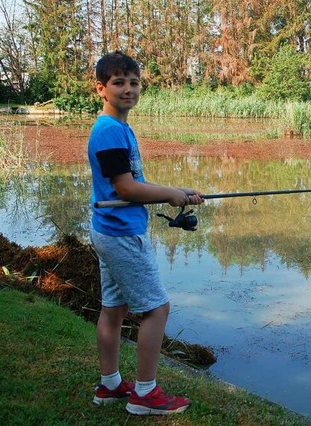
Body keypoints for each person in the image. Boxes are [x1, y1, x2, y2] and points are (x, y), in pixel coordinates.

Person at [88, 51, 204, 415]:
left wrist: (176, 191)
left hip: (109, 230)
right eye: (118, 82)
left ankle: (110, 386)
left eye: (134, 82)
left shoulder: (118, 128)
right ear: (101, 89)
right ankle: (145, 395)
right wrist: (170, 195)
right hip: (122, 235)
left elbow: (135, 183)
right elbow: (126, 190)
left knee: (114, 308)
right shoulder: (108, 131)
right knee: (157, 309)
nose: (128, 89)